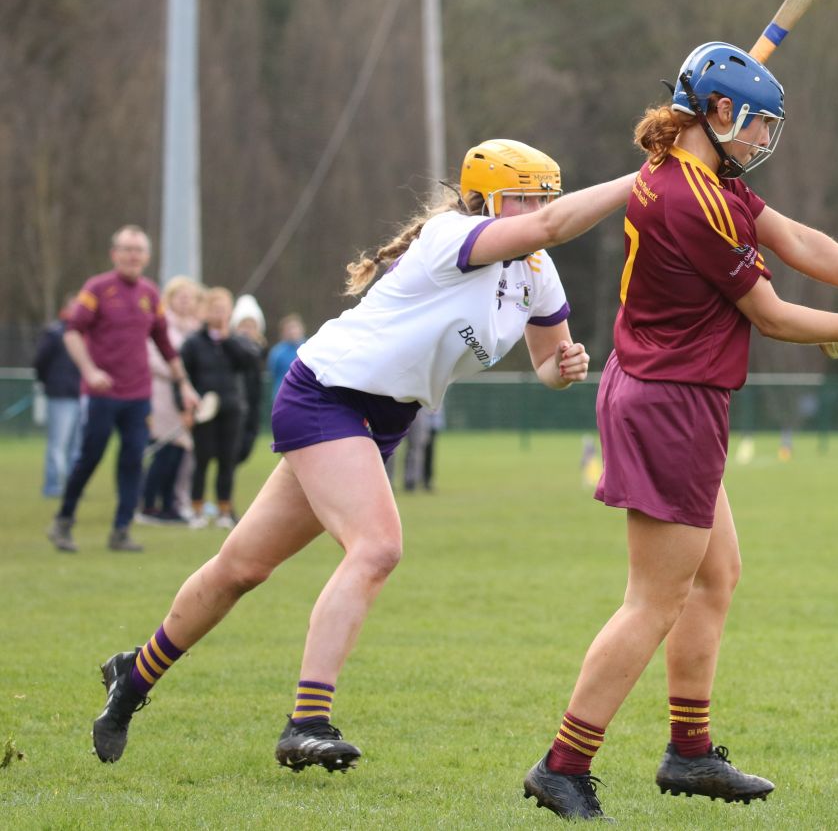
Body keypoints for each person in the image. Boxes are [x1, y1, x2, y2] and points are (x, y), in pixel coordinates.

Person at [89, 140, 635, 771]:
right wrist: (646, 174)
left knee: (240, 568)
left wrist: (563, 369)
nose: (538, 210)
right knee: (377, 547)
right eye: (525, 198)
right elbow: (555, 225)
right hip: (327, 393)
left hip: (382, 419)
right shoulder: (451, 236)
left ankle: (131, 678)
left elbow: (546, 361)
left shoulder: (535, 272)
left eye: (543, 197)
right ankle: (307, 721)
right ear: (483, 198)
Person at [521, 43, 838, 821]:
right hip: (670, 403)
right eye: (756, 125)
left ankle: (689, 752)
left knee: (716, 577)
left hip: (668, 394)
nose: (762, 142)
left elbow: (799, 241)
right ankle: (563, 763)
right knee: (652, 601)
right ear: (718, 113)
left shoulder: (688, 173)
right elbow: (776, 314)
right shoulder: (697, 203)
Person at [48, 226, 199, 554]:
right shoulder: (97, 289)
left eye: (139, 250)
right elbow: (72, 333)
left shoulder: (150, 293)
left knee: (133, 460)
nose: (133, 256)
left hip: (138, 395)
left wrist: (184, 384)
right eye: (127, 249)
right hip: (102, 393)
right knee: (90, 455)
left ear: (146, 256)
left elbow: (164, 344)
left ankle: (121, 530)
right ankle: (63, 520)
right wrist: (90, 370)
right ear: (114, 253)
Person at [181, 287, 260, 529]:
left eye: (224, 310)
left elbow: (248, 362)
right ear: (205, 312)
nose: (219, 314)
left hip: (231, 408)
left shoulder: (236, 342)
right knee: (202, 461)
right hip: (204, 411)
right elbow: (185, 376)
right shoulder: (193, 343)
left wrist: (227, 339)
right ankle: (196, 510)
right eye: (215, 309)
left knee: (228, 461)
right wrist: (186, 408)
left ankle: (225, 510)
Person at [139, 276, 204, 525]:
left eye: (190, 298)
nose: (186, 302)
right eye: (181, 297)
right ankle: (149, 504)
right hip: (163, 392)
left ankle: (171, 504)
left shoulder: (194, 328)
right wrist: (179, 375)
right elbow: (153, 358)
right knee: (166, 448)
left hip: (185, 394)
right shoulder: (162, 324)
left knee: (180, 451)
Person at [33, 295, 83, 498]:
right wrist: (49, 383)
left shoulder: (88, 333)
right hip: (60, 395)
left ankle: (73, 487)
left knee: (77, 446)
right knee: (58, 444)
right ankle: (53, 486)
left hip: (82, 394)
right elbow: (40, 361)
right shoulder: (54, 333)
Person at [230, 294, 267, 466]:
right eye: (243, 325)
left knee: (245, 448)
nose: (247, 330)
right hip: (236, 406)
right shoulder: (231, 348)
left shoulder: (260, 350)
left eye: (251, 325)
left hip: (252, 406)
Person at [267, 313, 306, 405]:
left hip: (304, 397)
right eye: (289, 329)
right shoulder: (277, 352)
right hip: (282, 398)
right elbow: (273, 372)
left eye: (295, 327)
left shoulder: (309, 348)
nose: (293, 331)